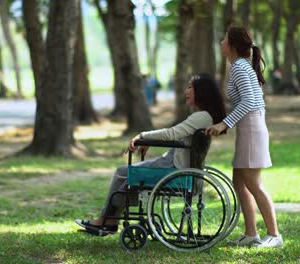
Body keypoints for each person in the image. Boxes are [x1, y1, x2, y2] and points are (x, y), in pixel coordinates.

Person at [75, 73, 226, 235]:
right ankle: (110, 220)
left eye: (190, 87)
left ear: (202, 92)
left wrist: (143, 136)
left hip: (174, 167)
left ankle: (107, 220)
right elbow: (175, 137)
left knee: (123, 172)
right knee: (126, 175)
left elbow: (171, 134)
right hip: (176, 164)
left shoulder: (201, 117)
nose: (185, 91)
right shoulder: (202, 117)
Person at [205, 26, 282, 248]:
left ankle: (274, 235)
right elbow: (249, 102)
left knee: (254, 184)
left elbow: (249, 102)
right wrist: (227, 123)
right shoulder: (240, 66)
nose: (221, 42)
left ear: (232, 45)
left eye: (224, 39)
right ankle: (251, 233)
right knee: (239, 183)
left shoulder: (239, 67)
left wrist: (224, 123)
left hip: (252, 129)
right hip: (249, 128)